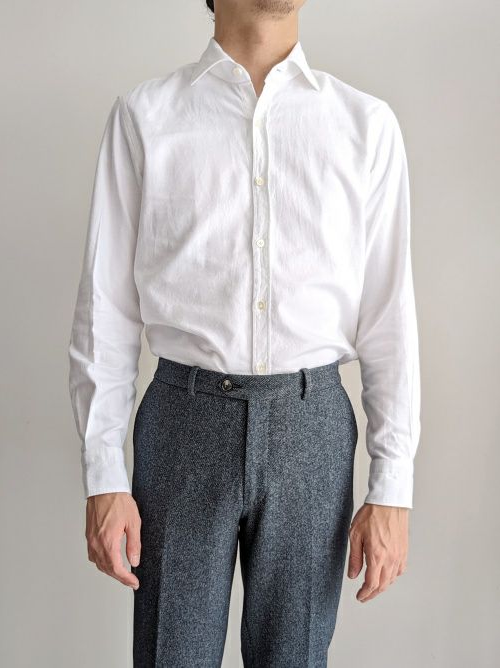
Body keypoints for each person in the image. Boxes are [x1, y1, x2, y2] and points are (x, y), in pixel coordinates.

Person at [68, 0, 421, 665]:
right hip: (182, 419)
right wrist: (103, 474)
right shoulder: (146, 116)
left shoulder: (365, 125)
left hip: (311, 424)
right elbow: (105, 309)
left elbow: (388, 316)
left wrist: (392, 486)